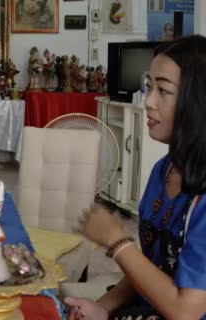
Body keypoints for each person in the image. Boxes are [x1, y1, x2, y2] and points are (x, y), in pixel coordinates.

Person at [65, 35, 206, 319]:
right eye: (149, 86)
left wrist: (118, 242)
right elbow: (149, 268)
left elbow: (185, 311)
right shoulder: (162, 170)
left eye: (163, 91)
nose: (148, 102)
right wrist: (103, 307)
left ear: (197, 100)